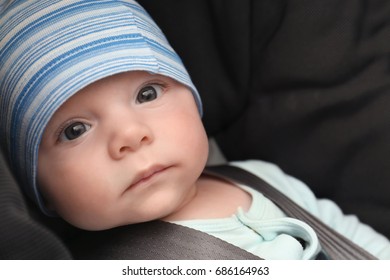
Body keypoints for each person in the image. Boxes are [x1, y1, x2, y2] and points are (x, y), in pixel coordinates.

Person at [0, 0, 389, 260]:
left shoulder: (257, 175)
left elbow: (353, 237)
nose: (130, 136)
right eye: (74, 130)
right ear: (38, 189)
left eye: (148, 92)